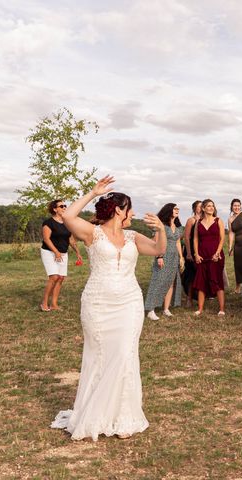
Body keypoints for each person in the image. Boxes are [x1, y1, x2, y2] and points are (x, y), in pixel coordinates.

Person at [51, 175, 167, 441]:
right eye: (130, 208)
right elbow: (68, 216)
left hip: (129, 302)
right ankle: (96, 413)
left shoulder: (133, 236)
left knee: (126, 354)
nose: (133, 213)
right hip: (98, 303)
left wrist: (160, 229)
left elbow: (159, 249)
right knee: (100, 355)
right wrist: (93, 193)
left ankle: (123, 417)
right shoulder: (93, 233)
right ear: (118, 210)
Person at [40, 199, 82, 312]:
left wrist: (78, 252)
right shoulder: (48, 223)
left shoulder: (67, 223)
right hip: (49, 252)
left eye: (65, 206)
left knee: (61, 278)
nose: (64, 208)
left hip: (63, 252)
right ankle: (44, 303)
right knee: (54, 277)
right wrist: (56, 252)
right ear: (55, 209)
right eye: (61, 206)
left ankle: (53, 304)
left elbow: (71, 240)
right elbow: (46, 239)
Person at [144, 203, 184, 319]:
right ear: (169, 210)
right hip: (163, 254)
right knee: (158, 281)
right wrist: (159, 256)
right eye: (175, 208)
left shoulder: (177, 227)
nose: (177, 210)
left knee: (170, 282)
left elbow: (177, 242)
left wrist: (181, 257)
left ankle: (166, 309)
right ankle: (151, 309)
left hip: (174, 257)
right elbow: (156, 241)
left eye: (178, 209)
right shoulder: (161, 225)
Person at [193, 199, 226, 316]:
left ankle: (221, 309)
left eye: (212, 206)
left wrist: (217, 253)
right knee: (201, 281)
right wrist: (196, 254)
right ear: (203, 208)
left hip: (215, 256)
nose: (211, 208)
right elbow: (195, 239)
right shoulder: (198, 222)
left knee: (217, 280)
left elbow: (222, 238)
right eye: (208, 206)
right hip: (202, 256)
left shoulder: (218, 221)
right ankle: (200, 309)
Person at [182, 201, 202, 308]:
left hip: (201, 250)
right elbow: (187, 237)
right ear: (194, 209)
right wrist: (189, 253)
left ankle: (199, 297)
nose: (201, 208)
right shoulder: (191, 220)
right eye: (199, 207)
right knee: (190, 275)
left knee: (200, 275)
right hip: (191, 251)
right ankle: (189, 298)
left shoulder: (204, 220)